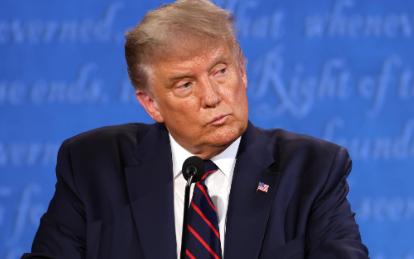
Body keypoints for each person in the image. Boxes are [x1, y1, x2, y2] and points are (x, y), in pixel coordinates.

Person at [22, 0, 369, 258]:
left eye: (220, 71)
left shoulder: (311, 169)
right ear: (151, 104)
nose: (213, 97)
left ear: (243, 71)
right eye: (185, 85)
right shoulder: (93, 166)